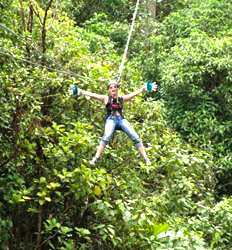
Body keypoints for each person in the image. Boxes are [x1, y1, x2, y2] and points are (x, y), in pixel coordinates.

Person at [77, 80, 157, 165]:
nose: (113, 89)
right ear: (109, 90)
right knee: (106, 137)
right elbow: (93, 95)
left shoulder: (121, 99)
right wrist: (80, 91)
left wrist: (144, 88)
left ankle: (146, 159)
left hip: (121, 120)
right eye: (111, 88)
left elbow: (134, 94)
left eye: (114, 87)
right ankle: (95, 158)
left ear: (117, 89)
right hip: (111, 120)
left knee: (135, 137)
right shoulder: (106, 98)